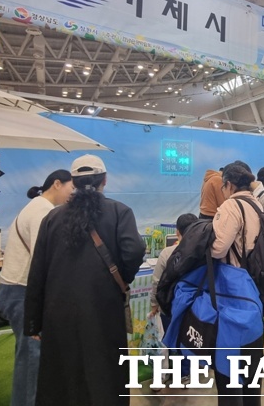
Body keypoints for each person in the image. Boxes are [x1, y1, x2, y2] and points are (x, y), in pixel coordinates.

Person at [24, 155, 145, 406]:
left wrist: (33, 321)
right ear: (105, 180)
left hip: (58, 309)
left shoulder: (53, 218)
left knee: (62, 374)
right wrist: (121, 278)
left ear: (74, 182)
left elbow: (38, 270)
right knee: (105, 370)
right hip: (104, 306)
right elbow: (134, 250)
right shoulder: (120, 211)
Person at [0, 170, 74, 406]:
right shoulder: (43, 211)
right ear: (57, 184)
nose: (72, 195)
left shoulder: (38, 207)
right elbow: (45, 258)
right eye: (71, 188)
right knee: (32, 358)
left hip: (16, 289)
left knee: (30, 356)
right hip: (22, 291)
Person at [211, 163, 263, 405]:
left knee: (229, 364)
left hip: (234, 291)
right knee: (252, 367)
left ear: (229, 185)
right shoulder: (257, 203)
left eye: (223, 185)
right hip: (255, 287)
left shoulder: (231, 206)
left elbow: (219, 248)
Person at [148, 213, 197, 389]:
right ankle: (185, 374)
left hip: (169, 306)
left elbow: (156, 282)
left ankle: (163, 375)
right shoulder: (201, 253)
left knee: (167, 339)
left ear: (177, 232)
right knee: (189, 340)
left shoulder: (167, 253)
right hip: (193, 308)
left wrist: (154, 305)